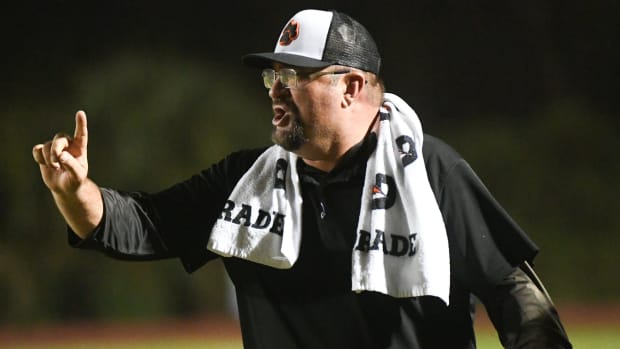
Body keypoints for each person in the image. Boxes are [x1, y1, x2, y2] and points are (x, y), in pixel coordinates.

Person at [32, 9, 572, 349]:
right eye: (273, 74)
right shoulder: (245, 179)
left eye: (295, 76)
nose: (274, 88)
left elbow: (516, 297)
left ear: (352, 86)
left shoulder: (430, 170)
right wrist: (76, 191)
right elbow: (140, 225)